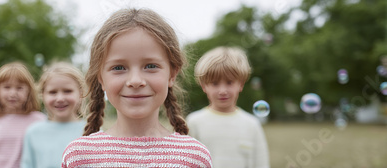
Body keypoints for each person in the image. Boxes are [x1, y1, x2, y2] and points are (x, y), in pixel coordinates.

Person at [61, 8, 212, 167]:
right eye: (119, 68)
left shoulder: (195, 158)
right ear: (101, 78)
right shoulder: (78, 157)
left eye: (151, 66)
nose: (135, 81)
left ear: (172, 74)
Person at [186, 47, 269, 168]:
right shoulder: (194, 122)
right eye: (214, 83)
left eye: (229, 82)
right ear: (204, 86)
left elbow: (261, 164)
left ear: (240, 84)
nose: (223, 91)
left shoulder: (252, 124)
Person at [0, 62, 46, 168]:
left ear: (29, 92)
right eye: (7, 87)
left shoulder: (39, 120)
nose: (13, 93)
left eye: (19, 88)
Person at [21, 62, 86, 168]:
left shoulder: (92, 131)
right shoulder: (33, 133)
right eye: (52, 92)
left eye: (67, 91)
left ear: (81, 94)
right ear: (42, 95)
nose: (60, 98)